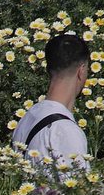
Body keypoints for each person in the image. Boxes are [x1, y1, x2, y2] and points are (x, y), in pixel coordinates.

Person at [14, 33, 91, 170]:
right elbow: (79, 189)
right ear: (81, 70)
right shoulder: (66, 131)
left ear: (47, 69)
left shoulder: (28, 117)